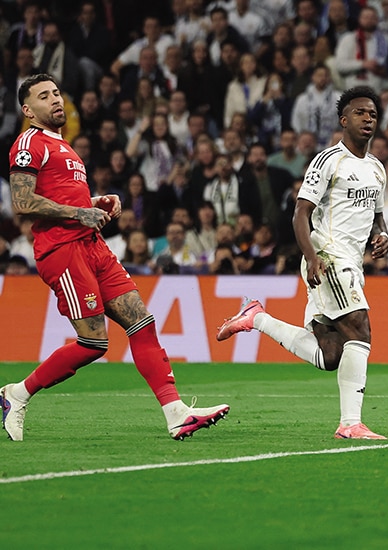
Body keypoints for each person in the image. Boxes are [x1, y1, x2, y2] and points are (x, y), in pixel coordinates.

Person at [0, 74, 229, 442]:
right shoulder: (29, 143)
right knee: (93, 343)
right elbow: (22, 202)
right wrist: (79, 214)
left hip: (92, 245)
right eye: (44, 97)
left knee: (142, 321)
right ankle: (18, 393)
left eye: (57, 92)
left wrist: (95, 202)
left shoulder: (66, 147)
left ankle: (176, 413)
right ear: (28, 110)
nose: (55, 100)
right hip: (63, 251)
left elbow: (63, 198)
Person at [216, 87, 388, 440]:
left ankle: (256, 317)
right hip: (327, 257)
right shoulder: (328, 161)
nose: (368, 118)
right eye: (360, 113)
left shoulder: (376, 168)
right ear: (344, 120)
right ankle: (350, 424)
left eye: (372, 114)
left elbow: (377, 215)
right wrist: (311, 257)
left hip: (352, 263)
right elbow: (301, 212)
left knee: (330, 355)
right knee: (361, 331)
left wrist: (382, 234)